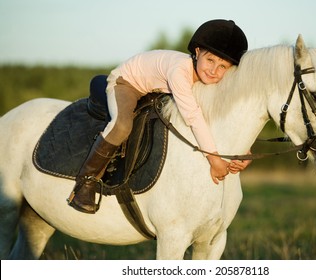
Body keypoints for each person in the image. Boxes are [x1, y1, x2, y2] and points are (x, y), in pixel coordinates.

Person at [67, 19, 250, 214]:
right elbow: (194, 117)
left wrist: (244, 151)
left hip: (154, 88)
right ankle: (85, 182)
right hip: (128, 82)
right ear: (197, 53)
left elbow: (218, 115)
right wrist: (214, 160)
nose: (214, 71)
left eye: (223, 66)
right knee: (122, 125)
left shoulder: (207, 77)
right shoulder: (180, 71)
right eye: (210, 60)